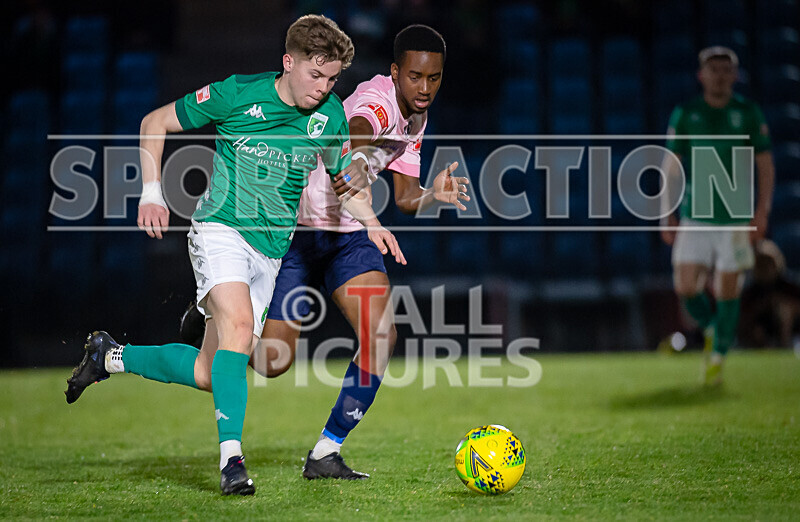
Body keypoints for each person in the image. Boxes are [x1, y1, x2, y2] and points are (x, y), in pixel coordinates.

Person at [64, 15, 401, 495]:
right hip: (220, 229)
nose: (324, 88)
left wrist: (372, 222)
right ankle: (232, 463)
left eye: (332, 79)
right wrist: (152, 192)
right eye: (315, 75)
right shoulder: (237, 93)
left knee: (210, 372)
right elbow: (154, 122)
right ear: (288, 62)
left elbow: (344, 180)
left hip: (270, 253)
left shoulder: (330, 116)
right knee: (240, 330)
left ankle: (110, 357)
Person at [180, 25, 468, 479]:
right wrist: (356, 159)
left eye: (434, 78)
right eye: (415, 77)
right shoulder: (377, 101)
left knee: (381, 336)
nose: (424, 87)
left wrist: (434, 195)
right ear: (395, 73)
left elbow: (406, 198)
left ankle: (325, 452)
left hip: (347, 237)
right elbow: (359, 129)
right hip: (296, 233)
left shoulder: (416, 118)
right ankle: (214, 318)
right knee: (272, 362)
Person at [660, 46, 775, 386]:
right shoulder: (686, 113)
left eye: (726, 70)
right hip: (695, 215)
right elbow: (671, 166)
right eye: (714, 70)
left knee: (728, 289)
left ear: (735, 76)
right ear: (702, 76)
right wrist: (666, 212)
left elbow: (765, 165)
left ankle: (718, 358)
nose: (720, 76)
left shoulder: (748, 113)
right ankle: (712, 329)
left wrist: (762, 210)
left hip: (735, 218)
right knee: (685, 287)